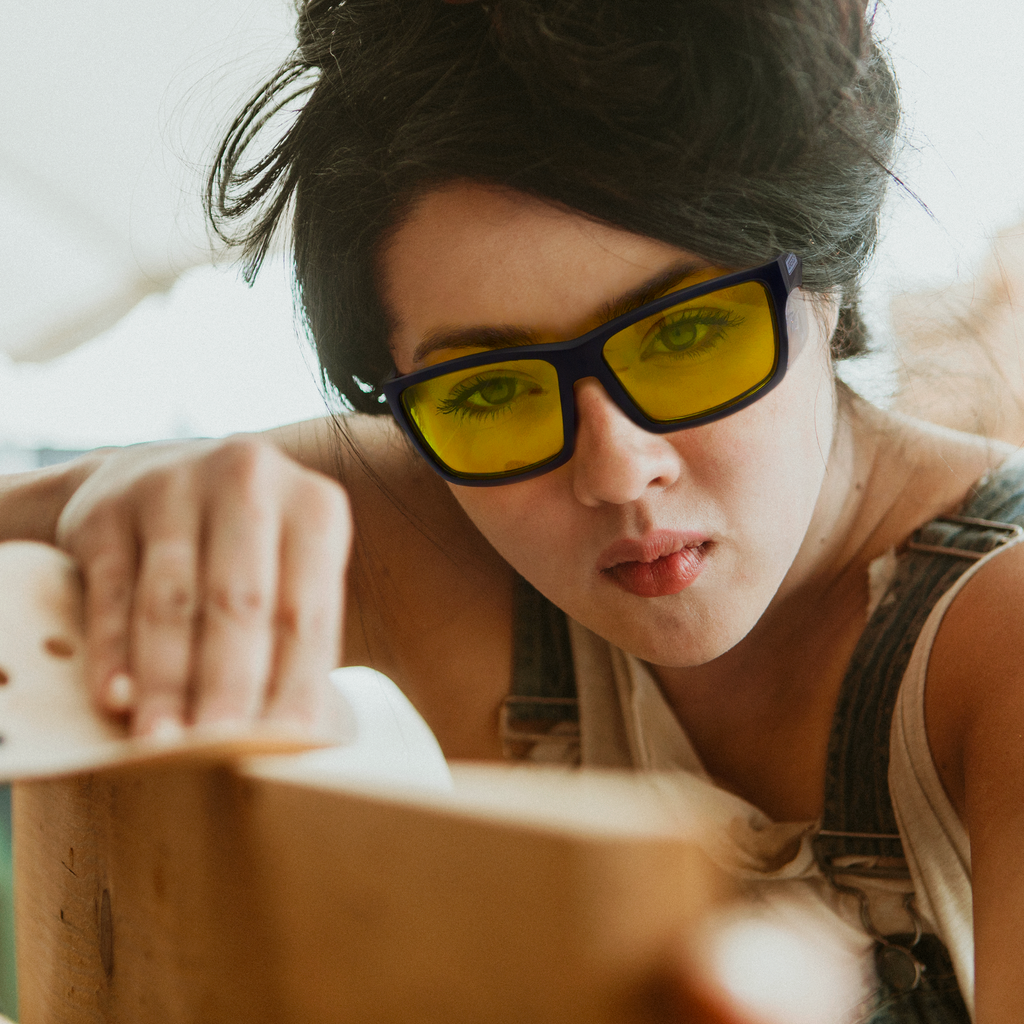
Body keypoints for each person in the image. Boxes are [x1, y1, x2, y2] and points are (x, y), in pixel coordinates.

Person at [2, 0, 1022, 1020]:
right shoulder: (419, 512)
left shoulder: (1001, 627)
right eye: (489, 387)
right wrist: (102, 494)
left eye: (684, 334)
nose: (617, 470)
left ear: (827, 282)